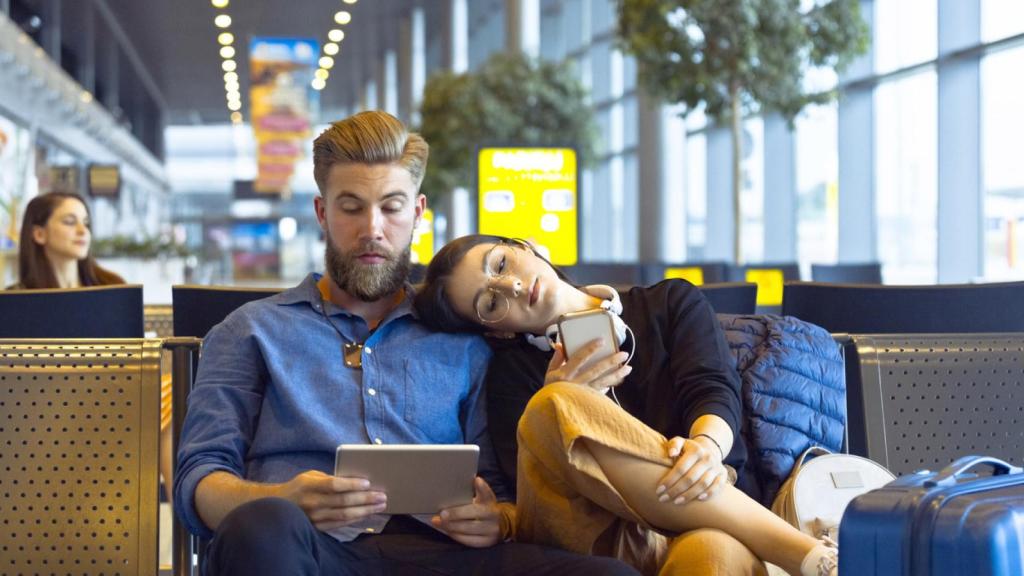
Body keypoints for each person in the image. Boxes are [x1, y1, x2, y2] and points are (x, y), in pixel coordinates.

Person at [173, 111, 636, 576]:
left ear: (416, 212)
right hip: (308, 552)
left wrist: (498, 518)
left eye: (391, 207)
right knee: (260, 528)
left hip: (447, 554)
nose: (372, 228)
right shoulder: (250, 330)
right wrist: (280, 498)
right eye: (351, 207)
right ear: (322, 213)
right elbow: (196, 483)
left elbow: (503, 490)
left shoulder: (465, 334)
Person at [414, 234, 840, 576]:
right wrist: (563, 401)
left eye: (501, 264)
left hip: (710, 509)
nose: (511, 285)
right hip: (595, 535)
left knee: (711, 558)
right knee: (552, 403)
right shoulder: (513, 375)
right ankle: (805, 554)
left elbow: (711, 386)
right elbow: (525, 495)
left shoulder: (668, 304)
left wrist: (707, 446)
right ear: (499, 331)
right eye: (490, 303)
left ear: (526, 246)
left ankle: (811, 563)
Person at [12, 192, 176, 506]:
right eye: (70, 221)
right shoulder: (17, 301)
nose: (82, 231)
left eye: (86, 223)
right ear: (38, 233)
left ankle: (185, 523)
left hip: (112, 403)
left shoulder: (112, 288)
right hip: (40, 414)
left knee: (168, 391)